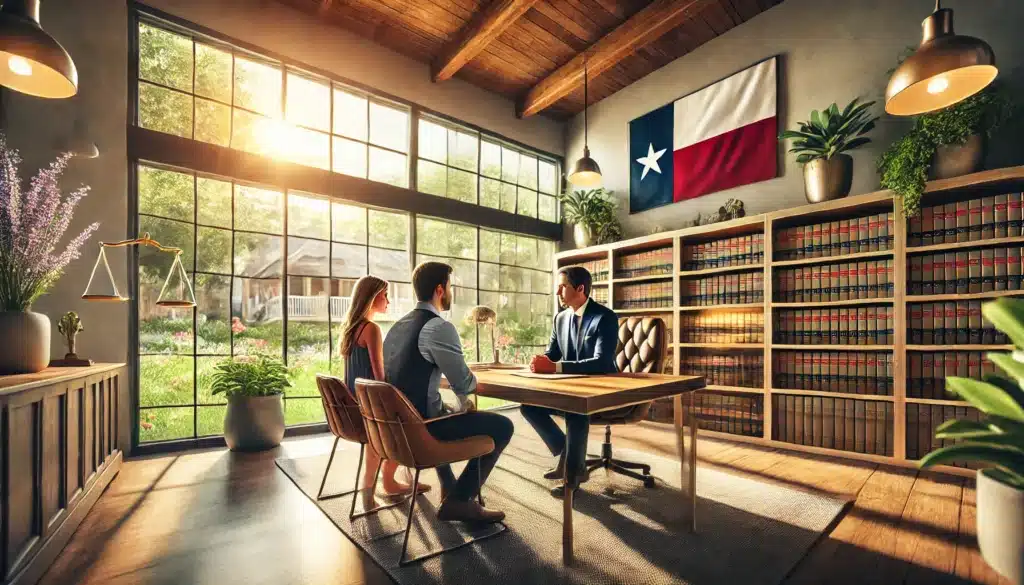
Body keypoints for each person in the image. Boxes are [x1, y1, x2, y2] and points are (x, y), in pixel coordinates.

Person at [383, 261, 514, 523]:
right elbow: (465, 384)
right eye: (451, 286)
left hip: (396, 430)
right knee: (503, 426)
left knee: (445, 409)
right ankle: (459, 501)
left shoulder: (397, 326)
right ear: (440, 289)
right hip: (423, 431)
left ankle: (449, 487)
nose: (451, 292)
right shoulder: (437, 327)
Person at [523, 265, 619, 497]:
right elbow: (553, 353)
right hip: (572, 387)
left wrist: (554, 367)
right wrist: (541, 360)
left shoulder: (604, 318)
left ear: (580, 288)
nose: (557, 292)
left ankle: (573, 476)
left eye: (562, 286)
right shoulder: (560, 318)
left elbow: (601, 364)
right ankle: (566, 452)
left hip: (604, 389)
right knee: (529, 405)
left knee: (576, 410)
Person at [338, 275, 429, 498]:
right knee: (410, 417)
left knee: (399, 416)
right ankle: (385, 482)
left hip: (352, 406)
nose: (388, 300)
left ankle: (384, 481)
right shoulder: (371, 329)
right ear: (371, 298)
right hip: (368, 407)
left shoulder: (351, 329)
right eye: (385, 295)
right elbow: (379, 375)